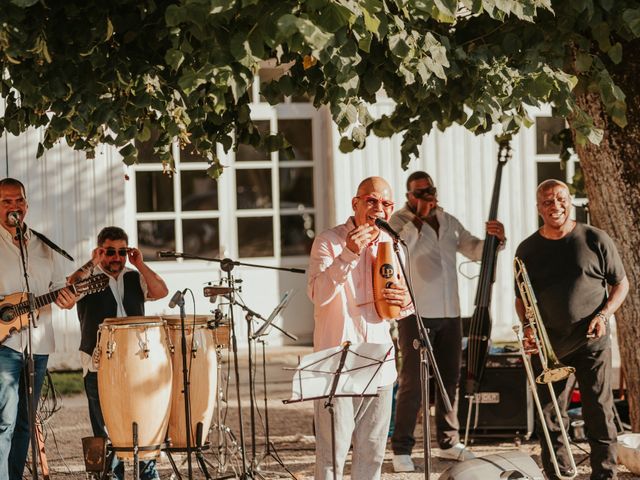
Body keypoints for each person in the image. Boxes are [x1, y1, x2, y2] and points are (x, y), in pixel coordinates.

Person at [389, 171, 506, 472]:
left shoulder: (448, 220)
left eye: (430, 190)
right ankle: (401, 447)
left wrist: (496, 240)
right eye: (420, 192)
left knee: (449, 379)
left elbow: (474, 249)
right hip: (416, 313)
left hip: (450, 312)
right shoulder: (398, 221)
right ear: (409, 196)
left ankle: (448, 441)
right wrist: (419, 219)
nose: (427, 195)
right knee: (413, 382)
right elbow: (396, 248)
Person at [515, 179, 628, 480]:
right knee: (550, 417)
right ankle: (560, 474)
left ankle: (604, 474)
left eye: (561, 199)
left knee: (599, 413)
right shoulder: (527, 249)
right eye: (548, 201)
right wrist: (528, 328)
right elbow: (521, 297)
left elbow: (621, 283)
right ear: (539, 207)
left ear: (570, 201)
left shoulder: (594, 238)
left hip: (592, 341)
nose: (556, 206)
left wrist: (604, 315)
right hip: (550, 345)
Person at [307, 176, 413, 480]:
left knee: (372, 452)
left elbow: (399, 309)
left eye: (386, 203)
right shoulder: (329, 241)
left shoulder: (394, 245)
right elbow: (318, 294)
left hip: (379, 360)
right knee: (332, 454)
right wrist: (350, 253)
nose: (378, 208)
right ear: (356, 203)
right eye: (371, 201)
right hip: (337, 361)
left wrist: (404, 299)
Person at [67, 226, 168, 480]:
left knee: (141, 421)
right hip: (98, 364)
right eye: (110, 252)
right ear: (101, 250)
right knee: (105, 428)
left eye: (121, 252)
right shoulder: (89, 278)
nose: (116, 258)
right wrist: (93, 261)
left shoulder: (134, 276)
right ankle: (110, 477)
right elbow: (70, 287)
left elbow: (160, 291)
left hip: (136, 364)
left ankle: (147, 473)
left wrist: (140, 264)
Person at [0, 177, 77, 480]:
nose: (13, 206)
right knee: (4, 421)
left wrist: (68, 298)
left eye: (18, 200)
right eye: (6, 201)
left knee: (24, 423)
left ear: (27, 205)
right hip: (4, 345)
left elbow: (60, 289)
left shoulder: (45, 246)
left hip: (39, 344)